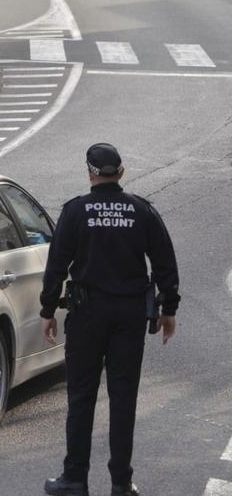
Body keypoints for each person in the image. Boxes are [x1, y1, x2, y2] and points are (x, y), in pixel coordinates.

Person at [40, 143, 181, 496]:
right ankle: (121, 482)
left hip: (87, 315)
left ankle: (74, 478)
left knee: (82, 398)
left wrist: (47, 311)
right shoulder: (141, 211)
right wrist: (169, 310)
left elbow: (56, 264)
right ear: (122, 172)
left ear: (90, 173)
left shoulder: (75, 212)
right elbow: (165, 261)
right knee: (123, 399)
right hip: (129, 317)